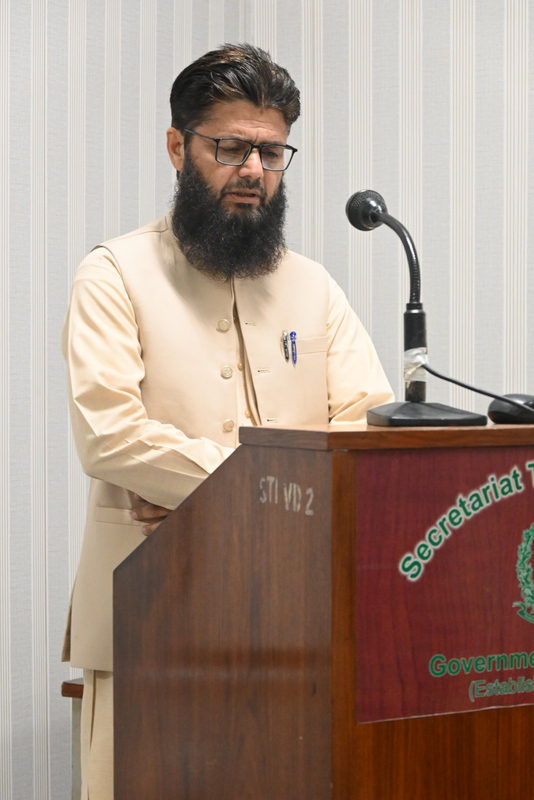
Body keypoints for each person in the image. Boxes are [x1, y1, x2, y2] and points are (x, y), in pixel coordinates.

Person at [62, 43, 394, 800]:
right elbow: (110, 434)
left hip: (296, 629)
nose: (253, 170)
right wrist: (280, 491)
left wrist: (224, 497)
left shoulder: (314, 287)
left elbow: (364, 435)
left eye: (271, 153)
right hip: (148, 618)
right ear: (178, 147)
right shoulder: (114, 273)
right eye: (231, 147)